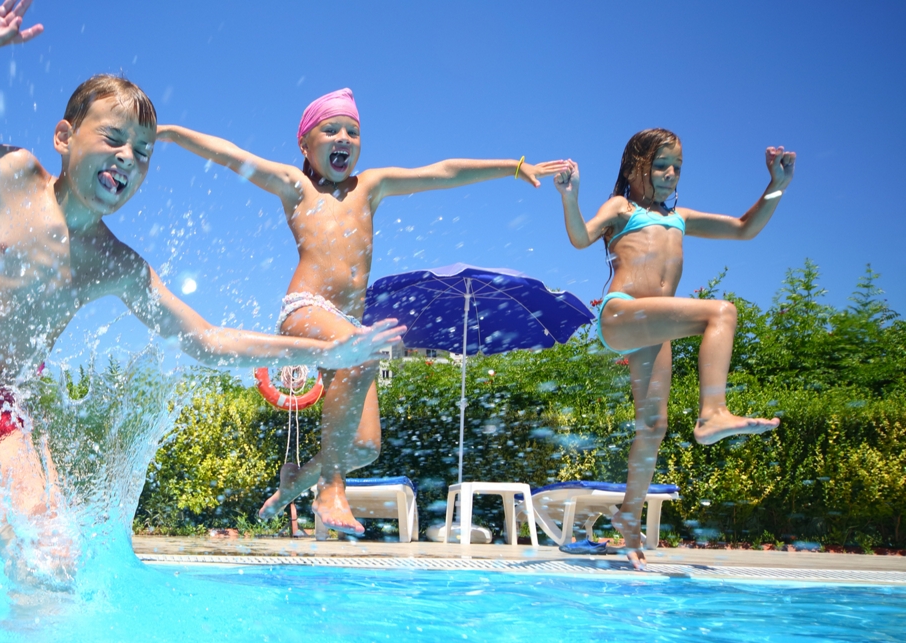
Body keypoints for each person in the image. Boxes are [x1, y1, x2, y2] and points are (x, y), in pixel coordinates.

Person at [0, 0, 404, 598]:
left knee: (51, 561)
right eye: (113, 138)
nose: (127, 158)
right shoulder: (13, 178)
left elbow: (206, 341)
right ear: (64, 136)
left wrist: (321, 354)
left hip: (4, 407)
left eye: (142, 152)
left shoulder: (118, 265)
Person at [159, 90, 565, 535]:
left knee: (366, 445)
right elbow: (231, 155)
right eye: (330, 129)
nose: (344, 138)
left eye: (353, 131)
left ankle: (297, 479)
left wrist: (512, 166)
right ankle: (330, 487)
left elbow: (441, 172)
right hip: (306, 309)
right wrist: (174, 134)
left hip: (348, 325)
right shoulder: (296, 187)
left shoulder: (369, 187)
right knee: (359, 354)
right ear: (304, 144)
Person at [553, 128, 795, 569]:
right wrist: (570, 197)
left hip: (652, 330)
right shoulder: (621, 208)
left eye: (677, 166)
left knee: (653, 425)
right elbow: (579, 236)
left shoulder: (680, 217)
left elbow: (744, 229)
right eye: (660, 164)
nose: (669, 173)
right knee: (720, 312)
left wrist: (775, 187)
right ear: (634, 168)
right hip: (623, 312)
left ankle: (628, 518)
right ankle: (713, 412)